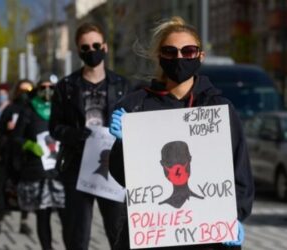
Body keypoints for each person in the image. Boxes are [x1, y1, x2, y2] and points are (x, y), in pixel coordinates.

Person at [109, 16, 254, 250]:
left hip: (207, 238)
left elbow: (240, 171)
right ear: (159, 56)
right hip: (152, 236)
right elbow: (123, 179)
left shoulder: (219, 108)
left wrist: (235, 217)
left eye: (188, 51)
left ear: (200, 56)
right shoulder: (137, 106)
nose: (179, 58)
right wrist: (123, 146)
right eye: (170, 51)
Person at [49, 22, 130, 250]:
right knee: (77, 234)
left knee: (119, 232)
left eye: (96, 45)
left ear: (104, 47)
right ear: (78, 51)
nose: (91, 51)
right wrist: (76, 134)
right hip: (76, 166)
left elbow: (133, 123)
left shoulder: (122, 85)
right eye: (85, 47)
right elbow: (55, 127)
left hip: (113, 167)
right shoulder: (66, 87)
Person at [13, 79, 64, 250]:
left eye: (51, 87)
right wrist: (29, 145)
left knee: (68, 217)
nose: (48, 90)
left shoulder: (62, 108)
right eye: (43, 87)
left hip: (61, 172)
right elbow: (16, 137)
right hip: (38, 171)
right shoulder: (28, 109)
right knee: (43, 216)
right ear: (37, 90)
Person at [0, 79, 34, 235]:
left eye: (28, 91)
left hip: (25, 157)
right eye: (21, 91)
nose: (24, 95)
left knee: (25, 190)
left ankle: (24, 222)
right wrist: (7, 128)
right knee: (3, 189)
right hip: (8, 155)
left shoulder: (33, 109)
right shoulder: (11, 108)